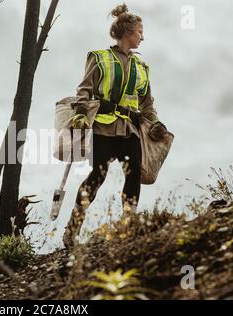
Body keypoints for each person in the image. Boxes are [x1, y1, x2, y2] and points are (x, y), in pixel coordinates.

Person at [63, 3, 167, 249]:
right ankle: (72, 230)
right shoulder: (99, 58)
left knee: (132, 177)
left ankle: (128, 225)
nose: (143, 36)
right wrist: (79, 114)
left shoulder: (143, 67)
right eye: (140, 31)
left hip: (130, 130)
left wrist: (156, 122)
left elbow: (147, 103)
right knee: (97, 177)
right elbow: (84, 91)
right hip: (103, 128)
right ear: (128, 32)